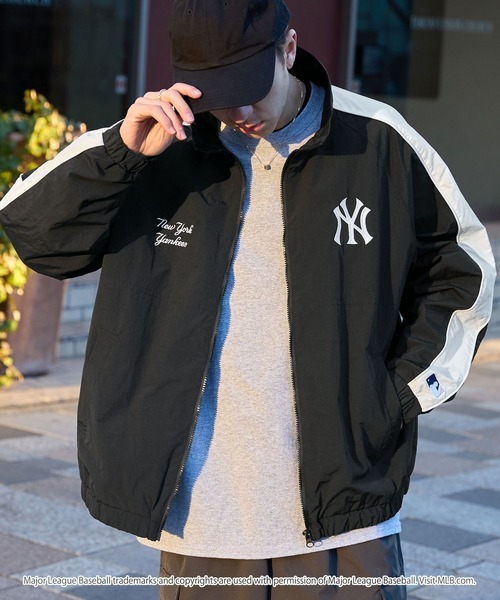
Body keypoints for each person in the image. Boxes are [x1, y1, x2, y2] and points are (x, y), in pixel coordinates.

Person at [0, 0, 496, 598]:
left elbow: (462, 268)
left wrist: (395, 396)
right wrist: (119, 155)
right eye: (216, 94)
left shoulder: (376, 139)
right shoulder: (157, 145)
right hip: (200, 513)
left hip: (344, 506)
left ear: (288, 49)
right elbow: (37, 238)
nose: (237, 113)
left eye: (247, 89)